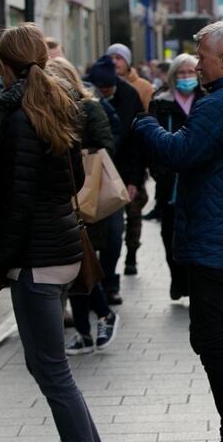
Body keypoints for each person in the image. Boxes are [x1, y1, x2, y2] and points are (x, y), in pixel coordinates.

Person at [133, 21, 223, 442]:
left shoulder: (222, 103)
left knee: (212, 339)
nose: (197, 63)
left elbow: (182, 152)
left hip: (213, 237)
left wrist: (145, 126)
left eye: (202, 54)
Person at [0, 23, 99, 440]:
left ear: (3, 65)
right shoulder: (59, 104)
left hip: (37, 259)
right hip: (62, 249)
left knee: (52, 371)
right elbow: (74, 179)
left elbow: (15, 208)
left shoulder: (17, 119)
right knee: (49, 367)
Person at [45, 57, 121, 355]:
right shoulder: (54, 111)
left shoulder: (88, 108)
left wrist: (77, 155)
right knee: (76, 265)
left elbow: (106, 146)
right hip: (68, 197)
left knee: (82, 261)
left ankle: (99, 318)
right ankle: (86, 330)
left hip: (86, 196)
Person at [87, 55, 144, 304]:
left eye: (109, 89)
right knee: (89, 237)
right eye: (101, 90)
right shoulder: (85, 95)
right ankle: (91, 286)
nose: (105, 93)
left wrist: (134, 180)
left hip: (117, 175)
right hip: (88, 175)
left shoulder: (129, 96)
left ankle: (110, 282)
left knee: (114, 232)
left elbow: (136, 142)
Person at [148, 53, 205, 300]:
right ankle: (176, 278)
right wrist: (159, 170)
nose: (186, 77)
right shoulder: (161, 103)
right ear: (172, 76)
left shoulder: (207, 101)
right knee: (169, 232)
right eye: (181, 73)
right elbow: (151, 141)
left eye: (190, 72)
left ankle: (193, 280)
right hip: (169, 182)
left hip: (200, 180)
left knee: (196, 233)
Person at [106, 43, 151, 276]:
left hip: (130, 167)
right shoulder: (98, 89)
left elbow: (139, 135)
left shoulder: (138, 90)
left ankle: (131, 254)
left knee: (133, 214)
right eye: (111, 57)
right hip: (107, 170)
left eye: (119, 58)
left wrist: (136, 174)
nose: (115, 62)